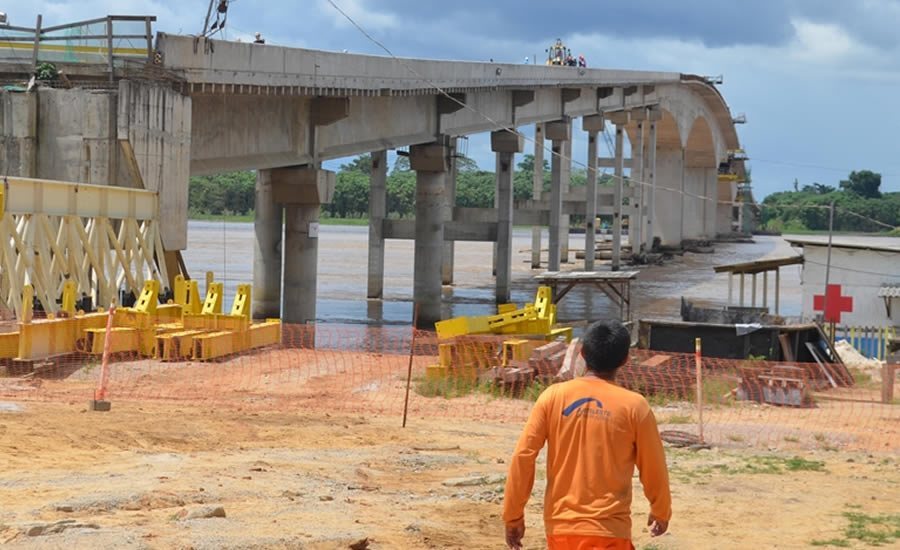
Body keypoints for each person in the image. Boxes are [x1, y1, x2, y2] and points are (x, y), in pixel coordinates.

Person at [502, 319, 671, 550]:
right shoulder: (635, 406)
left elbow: (523, 457)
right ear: (624, 360)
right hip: (611, 531)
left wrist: (513, 515)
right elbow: (654, 465)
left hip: (561, 530)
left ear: (581, 354)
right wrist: (660, 509)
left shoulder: (552, 397)